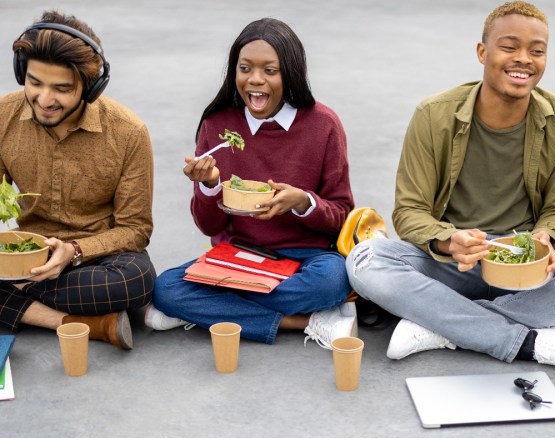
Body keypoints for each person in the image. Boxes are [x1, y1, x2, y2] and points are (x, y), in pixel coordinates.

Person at [346, 1, 555, 377]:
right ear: (482, 52)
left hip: (530, 270)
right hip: (455, 263)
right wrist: (448, 239)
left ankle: (442, 326)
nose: (523, 59)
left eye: (537, 51)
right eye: (509, 47)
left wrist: (544, 240)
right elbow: (409, 211)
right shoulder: (433, 114)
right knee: (366, 259)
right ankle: (532, 342)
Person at [148, 18, 356, 348]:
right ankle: (303, 322)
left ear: (290, 72)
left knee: (333, 280)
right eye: (245, 68)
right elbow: (207, 225)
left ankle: (209, 312)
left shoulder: (323, 124)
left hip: (307, 259)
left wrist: (303, 201)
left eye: (270, 71)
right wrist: (210, 186)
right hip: (239, 256)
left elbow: (341, 214)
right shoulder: (217, 124)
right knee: (166, 289)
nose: (255, 80)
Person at [0, 11, 155, 349]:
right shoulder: (3, 115)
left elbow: (135, 229)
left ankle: (15, 296)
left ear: (90, 87)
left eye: (61, 89)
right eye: (34, 82)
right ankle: (84, 324)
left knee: (138, 280)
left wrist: (73, 251)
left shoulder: (129, 132)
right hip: (28, 253)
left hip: (97, 258)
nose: (44, 99)